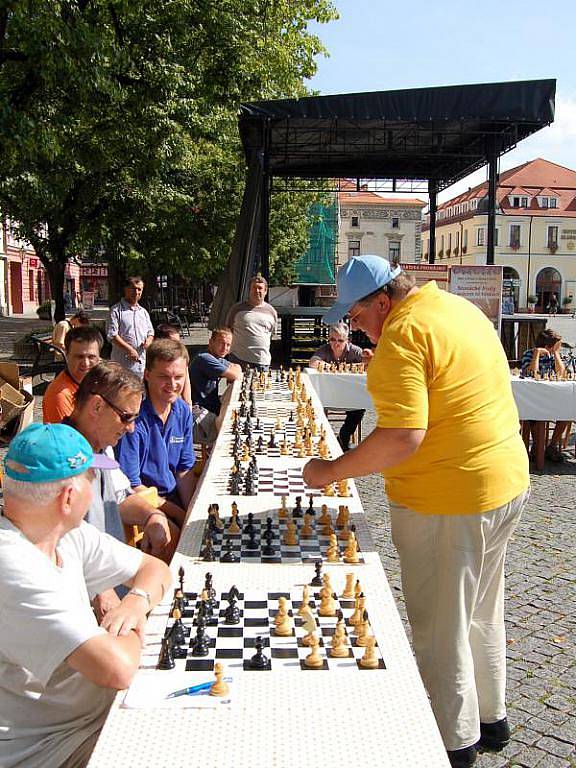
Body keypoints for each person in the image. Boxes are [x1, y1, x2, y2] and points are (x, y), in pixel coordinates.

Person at [303, 255, 530, 768]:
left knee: (438, 626)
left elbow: (404, 435)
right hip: (505, 481)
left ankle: (454, 745)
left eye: (356, 315)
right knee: (481, 610)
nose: (350, 325)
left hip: (449, 500)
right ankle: (492, 720)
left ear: (383, 301)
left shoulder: (401, 338)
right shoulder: (456, 308)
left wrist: (329, 472)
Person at [0, 423, 171, 768]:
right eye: (91, 480)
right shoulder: (13, 564)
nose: (95, 490)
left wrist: (135, 601)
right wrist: (132, 627)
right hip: (47, 748)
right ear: (68, 497)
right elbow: (118, 669)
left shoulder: (63, 533)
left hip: (89, 719)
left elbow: (156, 570)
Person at [67, 361, 179, 567]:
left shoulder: (103, 446)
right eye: (126, 417)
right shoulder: (61, 459)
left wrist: (153, 516)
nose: (131, 428)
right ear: (97, 406)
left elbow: (120, 498)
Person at [115, 339, 196, 526]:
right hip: (148, 508)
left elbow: (184, 470)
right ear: (147, 375)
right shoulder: (133, 421)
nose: (172, 384)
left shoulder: (182, 410)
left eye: (178, 377)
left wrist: (191, 511)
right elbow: (132, 486)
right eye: (164, 377)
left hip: (175, 500)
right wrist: (178, 514)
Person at [309, 321, 372, 451]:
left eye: (340, 340)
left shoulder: (354, 350)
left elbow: (368, 364)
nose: (336, 344)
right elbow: (313, 362)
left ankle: (344, 437)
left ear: (347, 341)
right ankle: (323, 438)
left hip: (350, 394)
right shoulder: (325, 349)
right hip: (329, 394)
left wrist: (364, 361)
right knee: (314, 407)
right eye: (333, 339)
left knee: (360, 407)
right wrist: (334, 367)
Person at [520, 328, 569, 461]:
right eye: (558, 346)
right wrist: (536, 354)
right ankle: (537, 447)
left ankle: (551, 446)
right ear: (548, 346)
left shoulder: (553, 357)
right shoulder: (529, 354)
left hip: (551, 397)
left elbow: (561, 374)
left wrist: (557, 355)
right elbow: (530, 374)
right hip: (533, 397)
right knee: (534, 417)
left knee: (567, 412)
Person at [189, 327, 242, 443]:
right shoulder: (205, 358)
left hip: (212, 405)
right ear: (211, 342)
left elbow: (238, 368)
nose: (225, 348)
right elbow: (236, 375)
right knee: (229, 430)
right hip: (199, 408)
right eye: (221, 343)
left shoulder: (217, 357)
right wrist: (231, 373)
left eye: (228, 345)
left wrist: (232, 372)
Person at [43, 325, 103, 423]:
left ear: (99, 358)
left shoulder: (98, 382)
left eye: (91, 357)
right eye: (79, 357)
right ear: (66, 355)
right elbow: (68, 437)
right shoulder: (60, 395)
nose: (86, 363)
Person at [225, 274, 277, 370]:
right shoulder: (237, 309)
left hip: (263, 362)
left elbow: (271, 334)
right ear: (249, 290)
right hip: (238, 360)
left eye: (260, 288)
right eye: (254, 288)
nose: (257, 291)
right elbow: (228, 330)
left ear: (265, 291)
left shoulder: (272, 312)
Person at [107, 276, 154, 377]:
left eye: (139, 289)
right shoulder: (116, 311)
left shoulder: (143, 312)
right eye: (133, 288)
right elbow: (112, 335)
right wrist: (130, 350)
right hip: (122, 365)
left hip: (141, 365)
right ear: (126, 289)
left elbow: (150, 332)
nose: (136, 292)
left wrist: (149, 341)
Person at [155, 323, 192, 406]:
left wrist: (188, 410)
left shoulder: (181, 363)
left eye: (179, 342)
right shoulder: (153, 365)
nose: (178, 347)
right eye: (173, 342)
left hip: (179, 408)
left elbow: (187, 398)